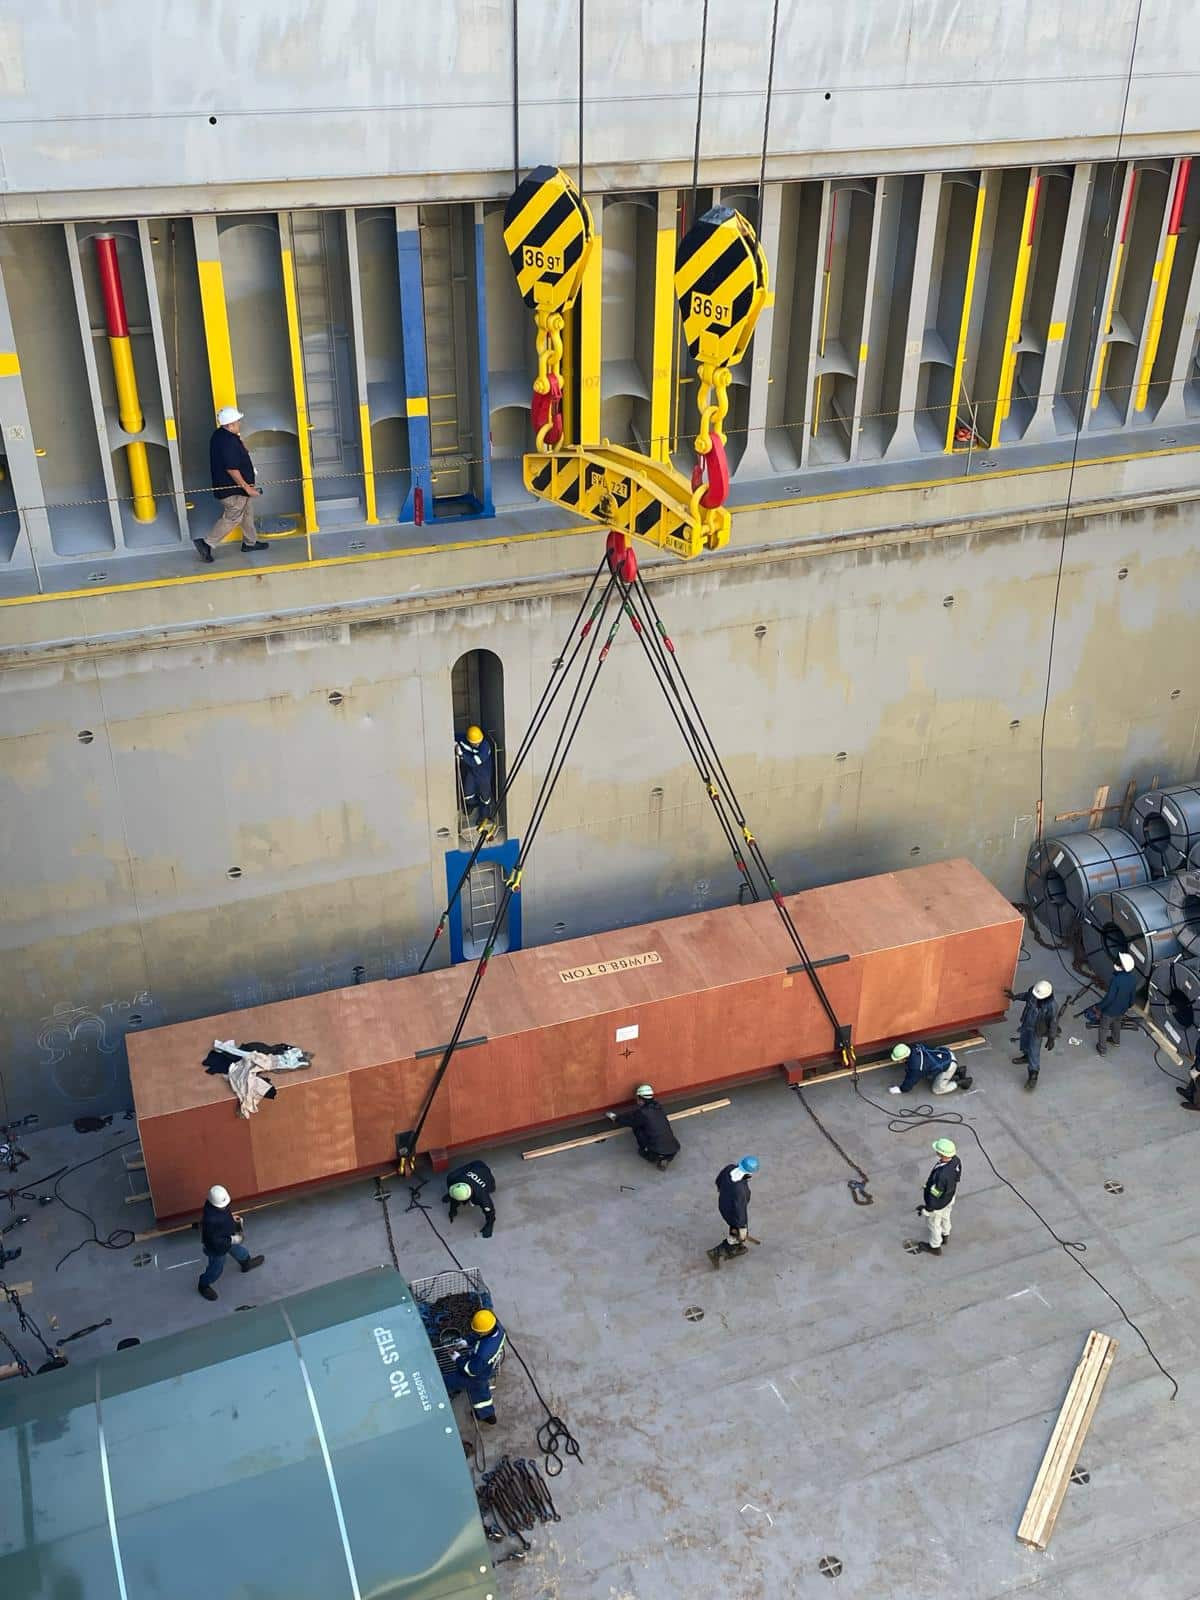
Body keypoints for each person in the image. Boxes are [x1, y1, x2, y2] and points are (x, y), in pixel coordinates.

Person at [195, 406, 269, 563]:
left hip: (236, 490)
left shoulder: (220, 435)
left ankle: (250, 543)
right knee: (233, 517)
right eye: (237, 421)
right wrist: (247, 488)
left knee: (247, 512)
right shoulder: (228, 441)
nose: (239, 424)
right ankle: (207, 544)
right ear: (229, 425)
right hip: (233, 491)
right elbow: (232, 469)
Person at [197, 1184, 263, 1300]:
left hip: (227, 1237)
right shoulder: (211, 1221)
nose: (225, 1206)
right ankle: (203, 1285)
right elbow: (216, 1242)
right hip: (216, 1249)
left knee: (241, 1252)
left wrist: (232, 1219)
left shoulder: (216, 1205)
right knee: (216, 1269)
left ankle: (246, 1263)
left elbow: (224, 1214)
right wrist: (233, 1239)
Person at [444, 1308, 506, 1424]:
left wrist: (457, 1358)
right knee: (481, 1394)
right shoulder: (497, 1328)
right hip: (485, 1371)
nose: (477, 1332)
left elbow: (470, 1370)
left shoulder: (484, 1353)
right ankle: (488, 1415)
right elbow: (481, 1334)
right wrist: (466, 1341)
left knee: (446, 1382)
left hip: (475, 1374)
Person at [604, 1083, 680, 1169]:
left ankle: (649, 1153)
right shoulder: (658, 1107)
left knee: (637, 1127)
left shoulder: (642, 1113)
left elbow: (628, 1120)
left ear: (640, 1099)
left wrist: (615, 1118)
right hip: (673, 1149)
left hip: (655, 1151)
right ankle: (665, 1158)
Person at [707, 1156, 759, 1268]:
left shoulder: (730, 1168)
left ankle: (735, 1244)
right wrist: (742, 1227)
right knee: (738, 1233)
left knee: (735, 1229)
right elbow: (740, 1211)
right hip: (733, 1213)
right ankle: (719, 1251)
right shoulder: (740, 1189)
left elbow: (718, 1181)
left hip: (723, 1205)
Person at [1007, 978, 1058, 1089]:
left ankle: (1033, 1076)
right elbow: (1026, 996)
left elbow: (1053, 1022)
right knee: (1025, 1042)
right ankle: (1026, 1056)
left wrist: (1051, 1038)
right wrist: (1015, 997)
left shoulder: (1052, 1006)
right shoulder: (1033, 992)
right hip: (1027, 1024)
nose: (1036, 999)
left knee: (1034, 1050)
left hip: (1037, 1030)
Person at [914, 1138, 961, 1257]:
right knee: (946, 1216)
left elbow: (935, 1195)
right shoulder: (956, 1160)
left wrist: (928, 1208)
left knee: (933, 1224)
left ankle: (935, 1246)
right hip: (949, 1197)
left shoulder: (941, 1175)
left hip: (938, 1204)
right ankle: (945, 1234)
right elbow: (957, 1178)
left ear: (942, 1154)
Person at [1094, 951, 1138, 1055]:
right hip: (1122, 1009)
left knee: (1103, 1028)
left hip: (1110, 1011)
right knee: (1117, 1024)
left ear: (1122, 966)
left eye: (1120, 961)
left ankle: (1102, 1049)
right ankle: (1115, 1041)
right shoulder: (1133, 979)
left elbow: (1109, 998)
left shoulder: (1116, 979)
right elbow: (1132, 996)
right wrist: (1129, 1005)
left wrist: (1099, 1007)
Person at [887, 1041, 972, 1096]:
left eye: (898, 1059)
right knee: (930, 1073)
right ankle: (959, 1071)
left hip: (949, 1065)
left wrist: (901, 1089)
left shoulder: (916, 1067)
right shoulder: (915, 1047)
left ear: (904, 1057)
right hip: (946, 1054)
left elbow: (910, 1081)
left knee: (937, 1090)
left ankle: (962, 1082)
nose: (898, 1061)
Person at [442, 1158, 497, 1237]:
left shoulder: (482, 1197)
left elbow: (490, 1212)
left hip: (486, 1175)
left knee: (492, 1189)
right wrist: (453, 1209)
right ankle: (452, 1195)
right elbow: (455, 1196)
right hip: (476, 1165)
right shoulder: (455, 1178)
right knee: (451, 1177)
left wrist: (489, 1225)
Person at [455, 726, 496, 824]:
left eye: (478, 742)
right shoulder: (463, 739)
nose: (477, 744)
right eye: (475, 743)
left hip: (483, 775)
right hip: (472, 773)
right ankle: (472, 804)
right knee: (467, 792)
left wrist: (461, 755)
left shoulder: (485, 747)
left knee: (485, 797)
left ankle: (484, 816)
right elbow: (454, 736)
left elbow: (474, 762)